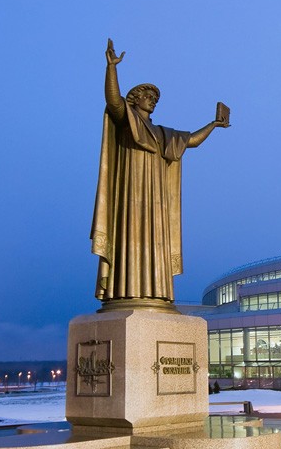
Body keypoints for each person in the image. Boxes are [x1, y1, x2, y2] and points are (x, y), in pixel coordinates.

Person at [91, 39, 229, 309]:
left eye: (155, 99)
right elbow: (113, 101)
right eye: (148, 96)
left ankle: (155, 292)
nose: (152, 101)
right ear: (135, 99)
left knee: (155, 238)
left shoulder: (162, 133)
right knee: (129, 233)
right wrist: (112, 69)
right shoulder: (127, 120)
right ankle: (125, 291)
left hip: (155, 196)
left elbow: (191, 141)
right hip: (131, 189)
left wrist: (213, 124)